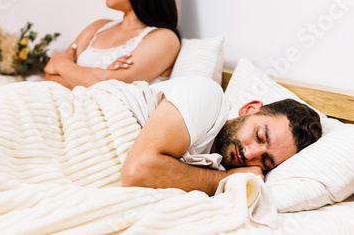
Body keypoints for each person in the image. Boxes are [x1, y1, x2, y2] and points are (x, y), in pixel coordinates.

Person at [98, 75, 323, 196]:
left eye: (264, 161)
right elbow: (137, 171)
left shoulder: (211, 167)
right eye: (259, 136)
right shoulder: (207, 96)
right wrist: (226, 179)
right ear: (249, 108)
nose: (249, 153)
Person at [44, 0, 181, 89]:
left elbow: (108, 88)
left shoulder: (165, 38)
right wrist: (100, 76)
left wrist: (61, 63)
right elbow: (50, 77)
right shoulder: (98, 27)